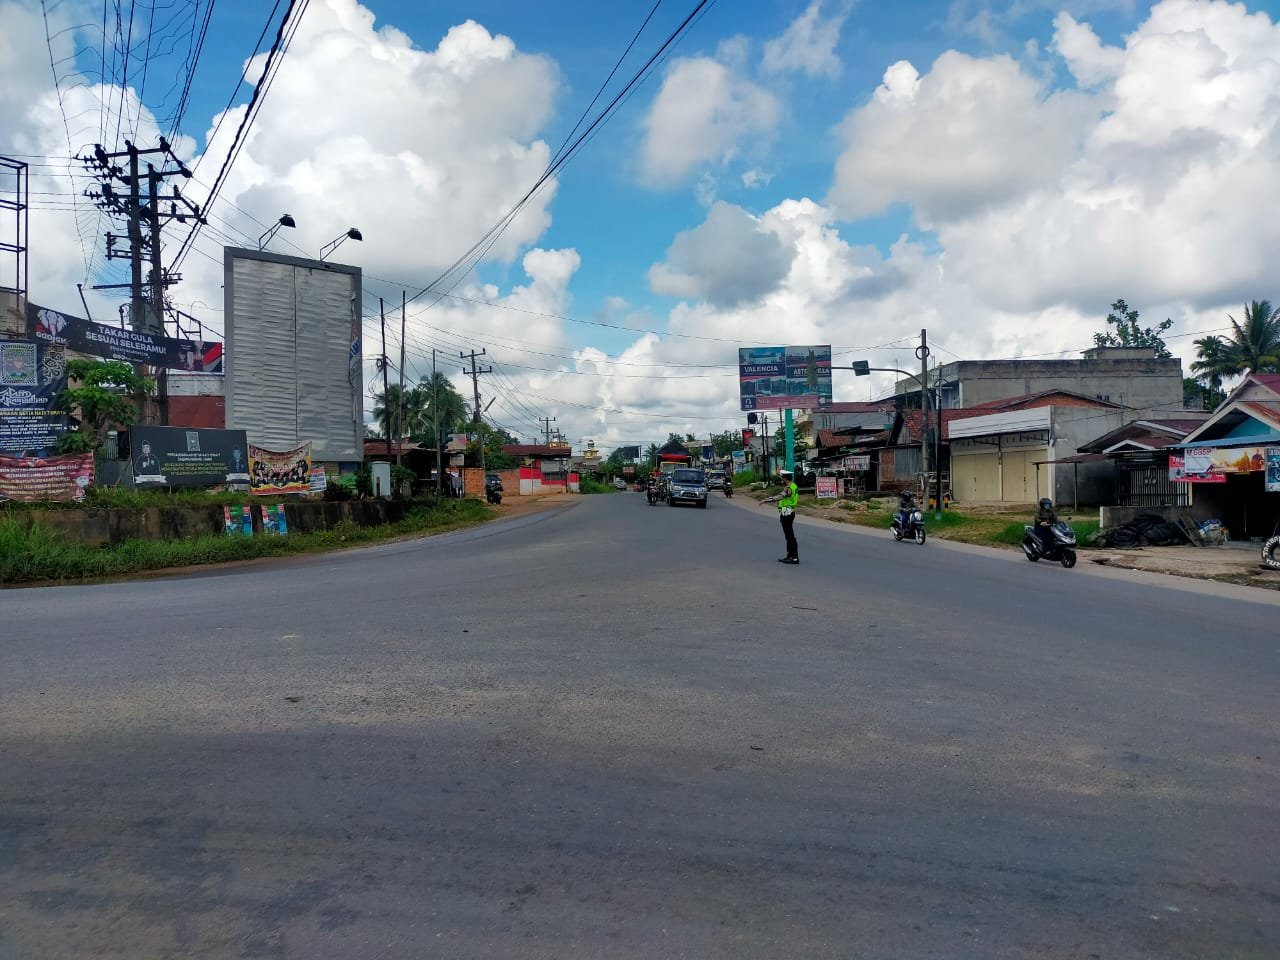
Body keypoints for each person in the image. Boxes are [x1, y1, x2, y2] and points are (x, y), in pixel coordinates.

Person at [761, 468, 800, 564]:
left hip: (787, 513)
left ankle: (793, 557)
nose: (781, 480)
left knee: (789, 536)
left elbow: (779, 497)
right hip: (789, 512)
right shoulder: (793, 485)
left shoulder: (789, 489)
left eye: (782, 478)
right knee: (790, 536)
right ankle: (791, 555)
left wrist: (765, 500)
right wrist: (779, 474)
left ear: (786, 479)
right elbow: (785, 481)